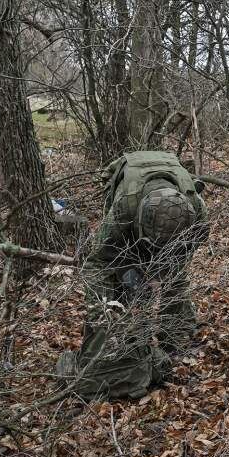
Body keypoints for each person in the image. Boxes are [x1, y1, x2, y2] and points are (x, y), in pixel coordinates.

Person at [57, 151, 209, 400]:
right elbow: (98, 264)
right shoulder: (122, 210)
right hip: (128, 177)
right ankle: (121, 334)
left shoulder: (196, 211)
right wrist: (102, 312)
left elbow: (189, 249)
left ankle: (176, 334)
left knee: (174, 277)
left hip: (171, 219)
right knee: (120, 278)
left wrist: (162, 271)